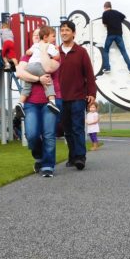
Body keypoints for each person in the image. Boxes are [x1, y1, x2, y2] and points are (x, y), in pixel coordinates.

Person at [16, 37, 63, 178]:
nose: (39, 40)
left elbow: (49, 68)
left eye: (41, 37)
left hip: (50, 101)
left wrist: (43, 50)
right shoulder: (27, 56)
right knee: (32, 134)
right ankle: (39, 157)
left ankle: (48, 165)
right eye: (36, 37)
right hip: (31, 102)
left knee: (49, 134)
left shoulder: (53, 53)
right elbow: (20, 73)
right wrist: (38, 79)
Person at [58, 20, 96, 170]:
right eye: (62, 30)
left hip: (78, 96)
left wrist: (92, 93)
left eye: (67, 30)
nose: (64, 33)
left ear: (73, 33)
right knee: (67, 130)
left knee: (77, 128)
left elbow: (89, 75)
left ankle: (80, 157)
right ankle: (72, 155)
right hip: (60, 97)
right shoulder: (55, 52)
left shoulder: (81, 52)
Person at [15, 26, 60, 116]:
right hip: (40, 66)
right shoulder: (49, 46)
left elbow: (28, 52)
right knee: (48, 82)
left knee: (27, 87)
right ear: (45, 37)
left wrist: (31, 51)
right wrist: (57, 51)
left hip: (30, 67)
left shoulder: (35, 45)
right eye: (53, 36)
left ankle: (20, 103)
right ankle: (52, 101)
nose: (54, 39)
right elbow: (57, 57)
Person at [101, 1, 130, 76]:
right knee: (123, 52)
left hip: (110, 35)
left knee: (106, 50)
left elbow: (104, 23)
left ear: (105, 7)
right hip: (119, 35)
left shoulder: (105, 13)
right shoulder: (117, 12)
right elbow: (124, 17)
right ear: (110, 6)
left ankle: (107, 68)